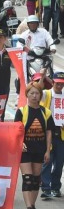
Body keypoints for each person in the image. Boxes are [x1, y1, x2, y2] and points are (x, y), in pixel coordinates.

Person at [14, 82, 53, 209]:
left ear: (40, 95)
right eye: (32, 93)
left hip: (39, 150)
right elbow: (15, 131)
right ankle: (29, 208)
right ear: (27, 95)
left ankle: (33, 205)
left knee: (36, 180)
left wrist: (47, 150)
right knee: (28, 179)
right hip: (24, 150)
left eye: (37, 93)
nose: (34, 96)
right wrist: (20, 143)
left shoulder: (46, 112)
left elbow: (49, 132)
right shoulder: (21, 111)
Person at [39, 71, 64, 199]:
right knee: (47, 161)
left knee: (59, 163)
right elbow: (36, 90)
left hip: (61, 134)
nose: (59, 87)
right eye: (58, 84)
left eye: (62, 84)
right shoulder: (46, 94)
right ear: (53, 82)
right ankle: (46, 188)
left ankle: (55, 187)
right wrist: (43, 77)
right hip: (48, 132)